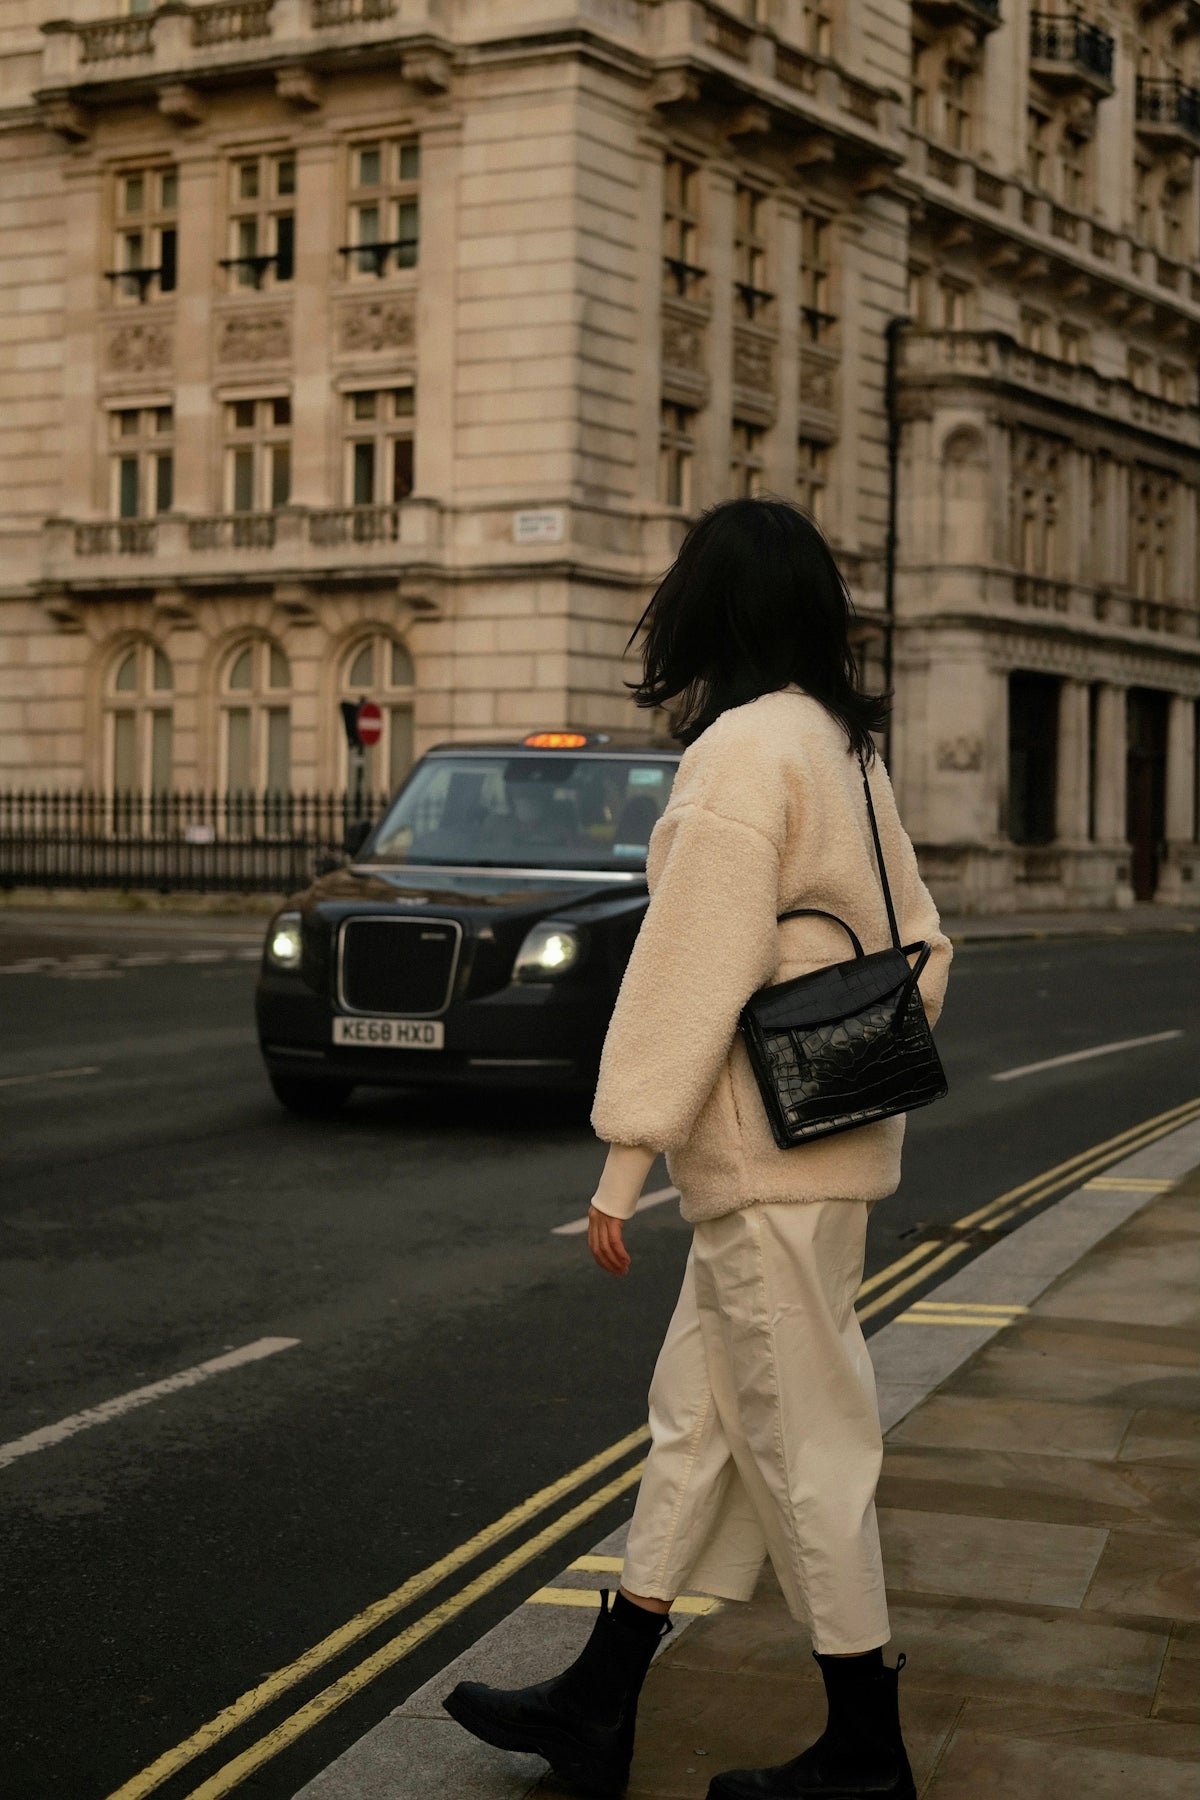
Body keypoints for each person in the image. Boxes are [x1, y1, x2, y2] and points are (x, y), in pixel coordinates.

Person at [445, 497, 953, 1800]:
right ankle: (600, 1701)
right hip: (827, 1151)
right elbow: (928, 951)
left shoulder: (737, 752)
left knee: (805, 1443)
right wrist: (839, 1055)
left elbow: (688, 974)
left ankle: (864, 1749)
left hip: (763, 1171)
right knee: (701, 1425)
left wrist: (625, 1163)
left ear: (705, 608)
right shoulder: (846, 750)